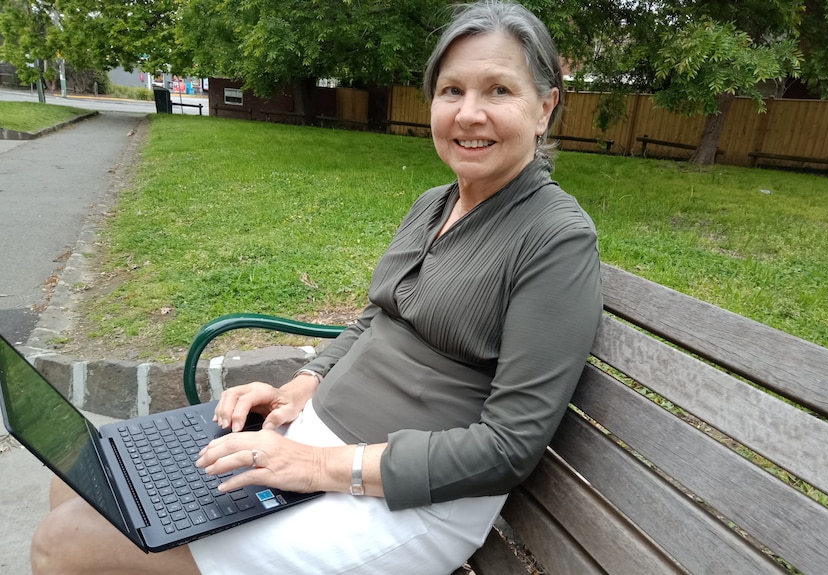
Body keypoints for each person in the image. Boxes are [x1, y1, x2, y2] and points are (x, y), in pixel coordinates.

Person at [30, 1, 602, 574]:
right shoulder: (435, 204)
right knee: (84, 488)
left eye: (498, 91)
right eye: (451, 91)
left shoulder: (555, 238)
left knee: (69, 541)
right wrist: (300, 387)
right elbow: (374, 320)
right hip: (311, 441)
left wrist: (313, 465)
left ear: (544, 107)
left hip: (405, 499)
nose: (469, 113)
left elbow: (507, 448)